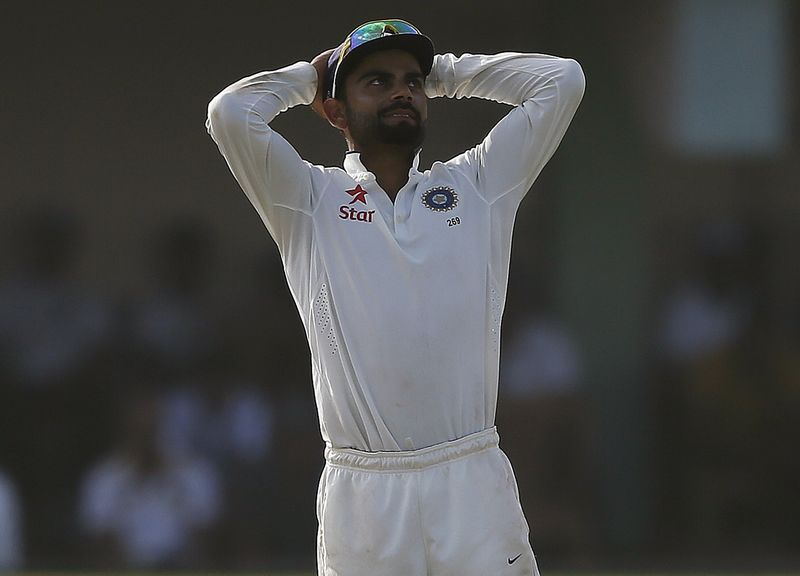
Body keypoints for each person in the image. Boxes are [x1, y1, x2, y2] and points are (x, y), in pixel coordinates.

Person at [207, 18, 584, 576]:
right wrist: (308, 80)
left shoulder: (477, 186)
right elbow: (229, 114)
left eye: (412, 80)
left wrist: (447, 73)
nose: (401, 90)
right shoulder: (307, 199)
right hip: (365, 494)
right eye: (376, 82)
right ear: (335, 111)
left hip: (470, 476)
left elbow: (562, 80)